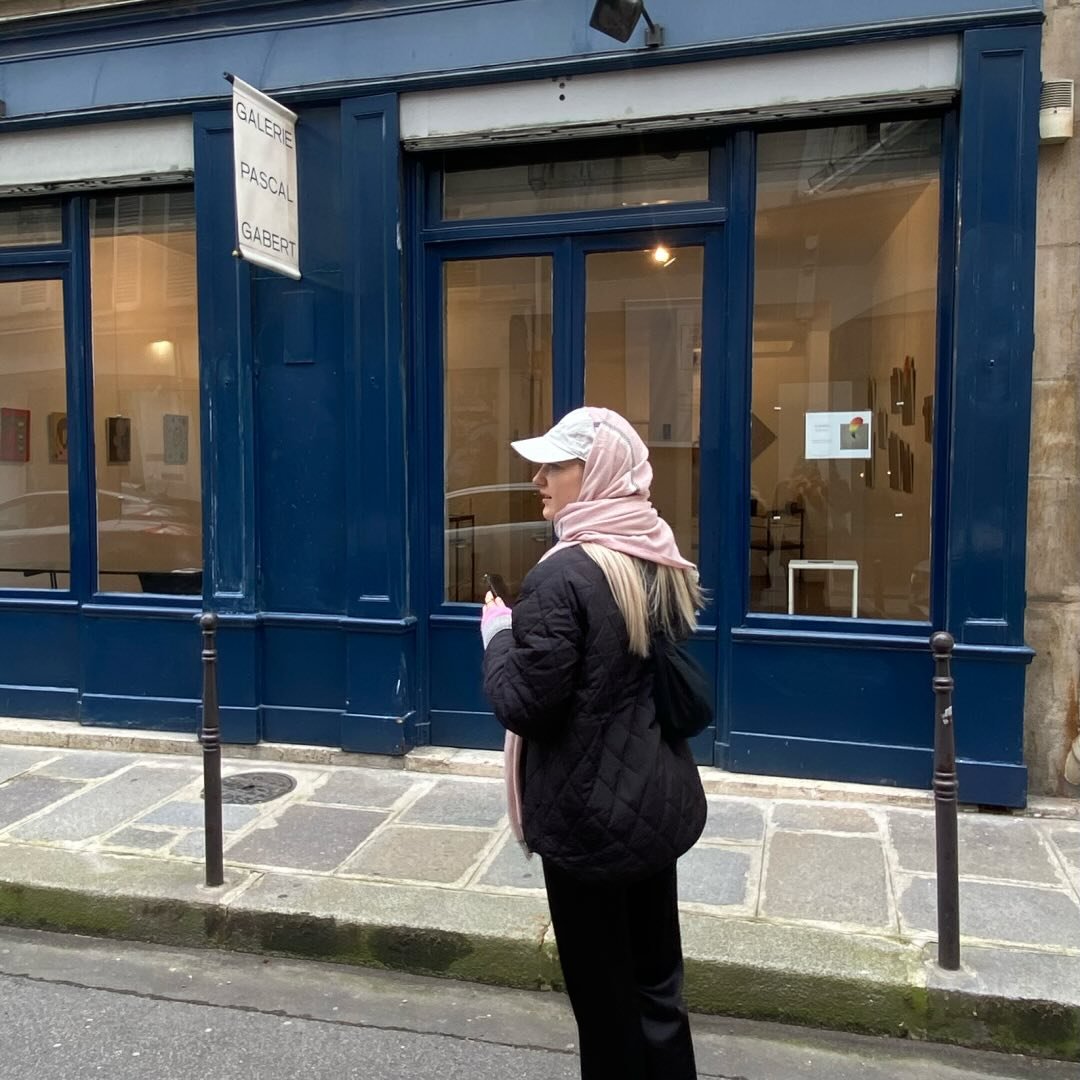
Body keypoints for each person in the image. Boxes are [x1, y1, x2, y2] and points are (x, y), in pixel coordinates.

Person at [480, 406, 707, 1080]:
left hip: (586, 818)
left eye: (554, 467)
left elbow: (525, 705)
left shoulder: (562, 576)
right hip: (651, 802)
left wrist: (498, 636)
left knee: (605, 1008)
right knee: (657, 988)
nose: (537, 480)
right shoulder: (652, 549)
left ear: (597, 472)